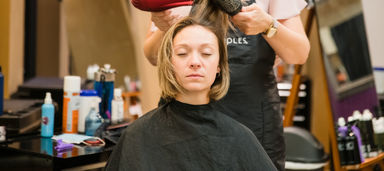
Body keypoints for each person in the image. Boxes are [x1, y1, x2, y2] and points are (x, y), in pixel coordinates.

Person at [143, 0, 310, 169]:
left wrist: (268, 25)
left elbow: (299, 54)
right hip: (184, 124)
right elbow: (152, 56)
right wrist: (163, 27)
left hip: (253, 122)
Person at [105, 13, 277, 170]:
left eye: (206, 53)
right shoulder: (137, 137)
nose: (195, 62)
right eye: (182, 53)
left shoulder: (240, 138)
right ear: (169, 64)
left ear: (219, 66)